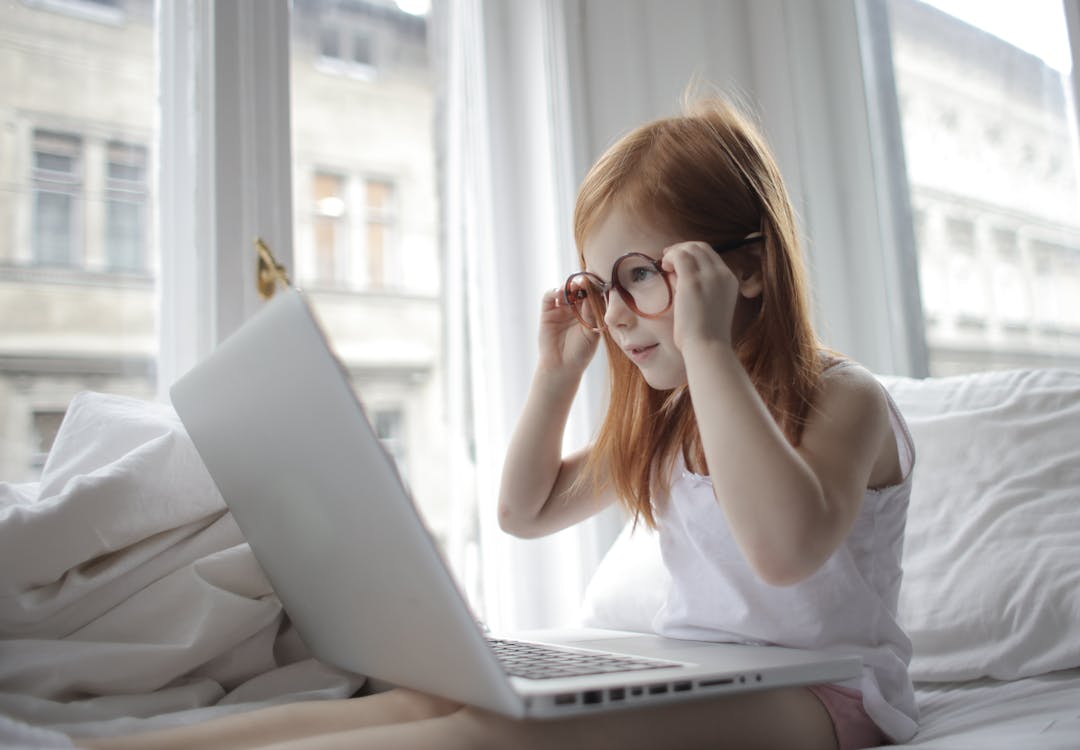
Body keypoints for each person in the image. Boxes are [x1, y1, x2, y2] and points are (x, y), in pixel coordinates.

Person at [79, 94, 916, 750]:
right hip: (700, 672)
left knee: (504, 732)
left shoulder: (845, 399)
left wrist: (704, 346)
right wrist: (556, 377)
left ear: (748, 271)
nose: (619, 316)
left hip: (828, 693)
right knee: (425, 700)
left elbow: (782, 550)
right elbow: (526, 513)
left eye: (641, 276)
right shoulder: (670, 422)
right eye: (598, 287)